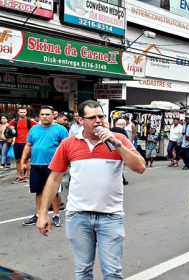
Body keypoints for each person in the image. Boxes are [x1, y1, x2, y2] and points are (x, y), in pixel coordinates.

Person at [36, 100, 145, 280]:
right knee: (83, 272)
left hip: (111, 217)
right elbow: (54, 179)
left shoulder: (120, 140)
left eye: (101, 116)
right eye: (92, 117)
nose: (98, 121)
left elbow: (140, 167)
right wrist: (42, 213)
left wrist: (116, 143)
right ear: (80, 120)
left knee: (112, 273)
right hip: (78, 216)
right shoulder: (68, 143)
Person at [21, 105, 68, 226]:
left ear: (53, 115)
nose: (44, 117)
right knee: (38, 191)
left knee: (55, 192)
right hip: (36, 165)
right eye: (42, 114)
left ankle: (56, 216)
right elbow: (28, 145)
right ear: (39, 116)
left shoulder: (61, 130)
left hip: (53, 167)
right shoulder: (34, 129)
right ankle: (39, 214)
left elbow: (66, 148)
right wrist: (23, 161)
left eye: (47, 114)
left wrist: (65, 165)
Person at [8, 106, 37, 183]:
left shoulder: (29, 121)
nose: (22, 113)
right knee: (17, 160)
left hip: (26, 143)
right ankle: (19, 176)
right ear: (18, 112)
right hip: (17, 142)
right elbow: (8, 127)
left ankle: (26, 176)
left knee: (26, 160)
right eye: (21, 112)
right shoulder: (15, 121)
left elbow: (38, 127)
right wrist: (9, 136)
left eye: (24, 112)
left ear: (26, 112)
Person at [110, 119, 129, 185]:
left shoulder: (111, 129)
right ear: (123, 125)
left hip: (111, 149)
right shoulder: (122, 131)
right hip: (119, 149)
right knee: (119, 165)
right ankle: (122, 179)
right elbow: (126, 140)